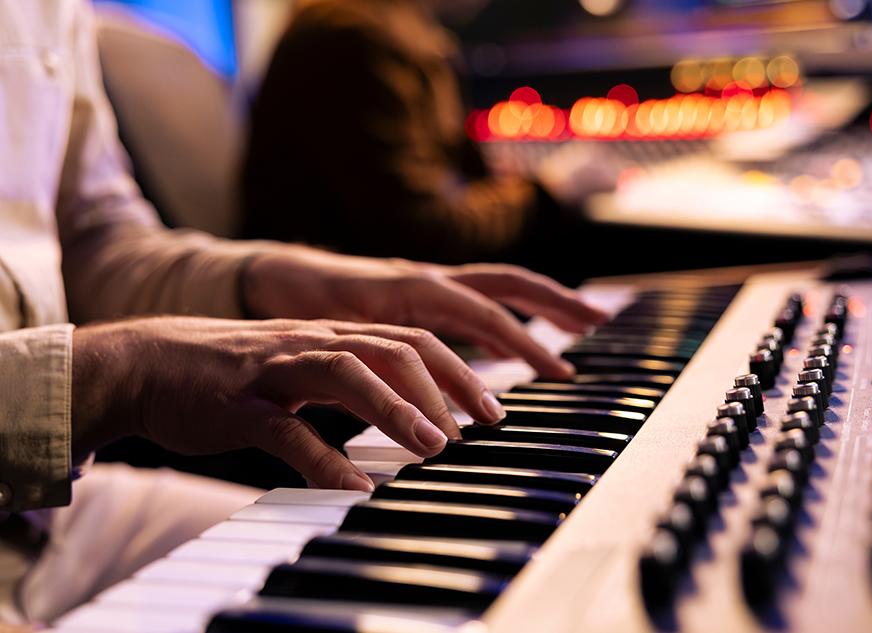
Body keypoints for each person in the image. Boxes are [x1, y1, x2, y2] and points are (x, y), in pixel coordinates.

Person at [0, 0, 607, 626]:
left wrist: (292, 277)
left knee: (488, 574)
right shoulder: (351, 38)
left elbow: (99, 241)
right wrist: (121, 372)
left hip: (57, 511)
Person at [241, 0, 574, 267]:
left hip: (389, 289)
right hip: (349, 305)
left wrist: (513, 188)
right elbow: (420, 233)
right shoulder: (350, 34)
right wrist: (546, 189)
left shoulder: (406, 31)